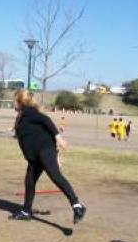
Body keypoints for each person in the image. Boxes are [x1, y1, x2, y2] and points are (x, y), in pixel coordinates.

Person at [11, 89, 86, 223]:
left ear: (21, 102)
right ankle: (26, 211)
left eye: (14, 101)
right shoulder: (22, 116)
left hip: (43, 151)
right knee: (29, 182)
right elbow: (39, 132)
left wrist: (58, 138)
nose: (13, 104)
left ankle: (77, 206)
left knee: (56, 177)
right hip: (35, 157)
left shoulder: (29, 112)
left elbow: (46, 120)